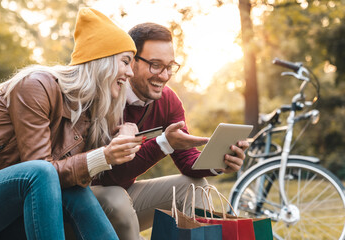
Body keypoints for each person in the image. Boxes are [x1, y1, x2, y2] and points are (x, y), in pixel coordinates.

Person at [0, 7, 142, 240]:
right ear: (101, 62)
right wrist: (103, 156)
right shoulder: (36, 86)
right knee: (41, 172)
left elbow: (70, 174)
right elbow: (38, 169)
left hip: (13, 208)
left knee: (75, 190)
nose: (130, 72)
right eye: (125, 61)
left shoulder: (87, 110)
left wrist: (124, 135)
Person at [91, 22, 250, 240]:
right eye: (155, 65)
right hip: (86, 200)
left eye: (170, 66)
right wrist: (163, 144)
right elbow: (110, 176)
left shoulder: (168, 100)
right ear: (131, 61)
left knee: (194, 187)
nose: (164, 76)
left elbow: (187, 161)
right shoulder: (107, 95)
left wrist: (220, 162)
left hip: (125, 195)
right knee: (116, 196)